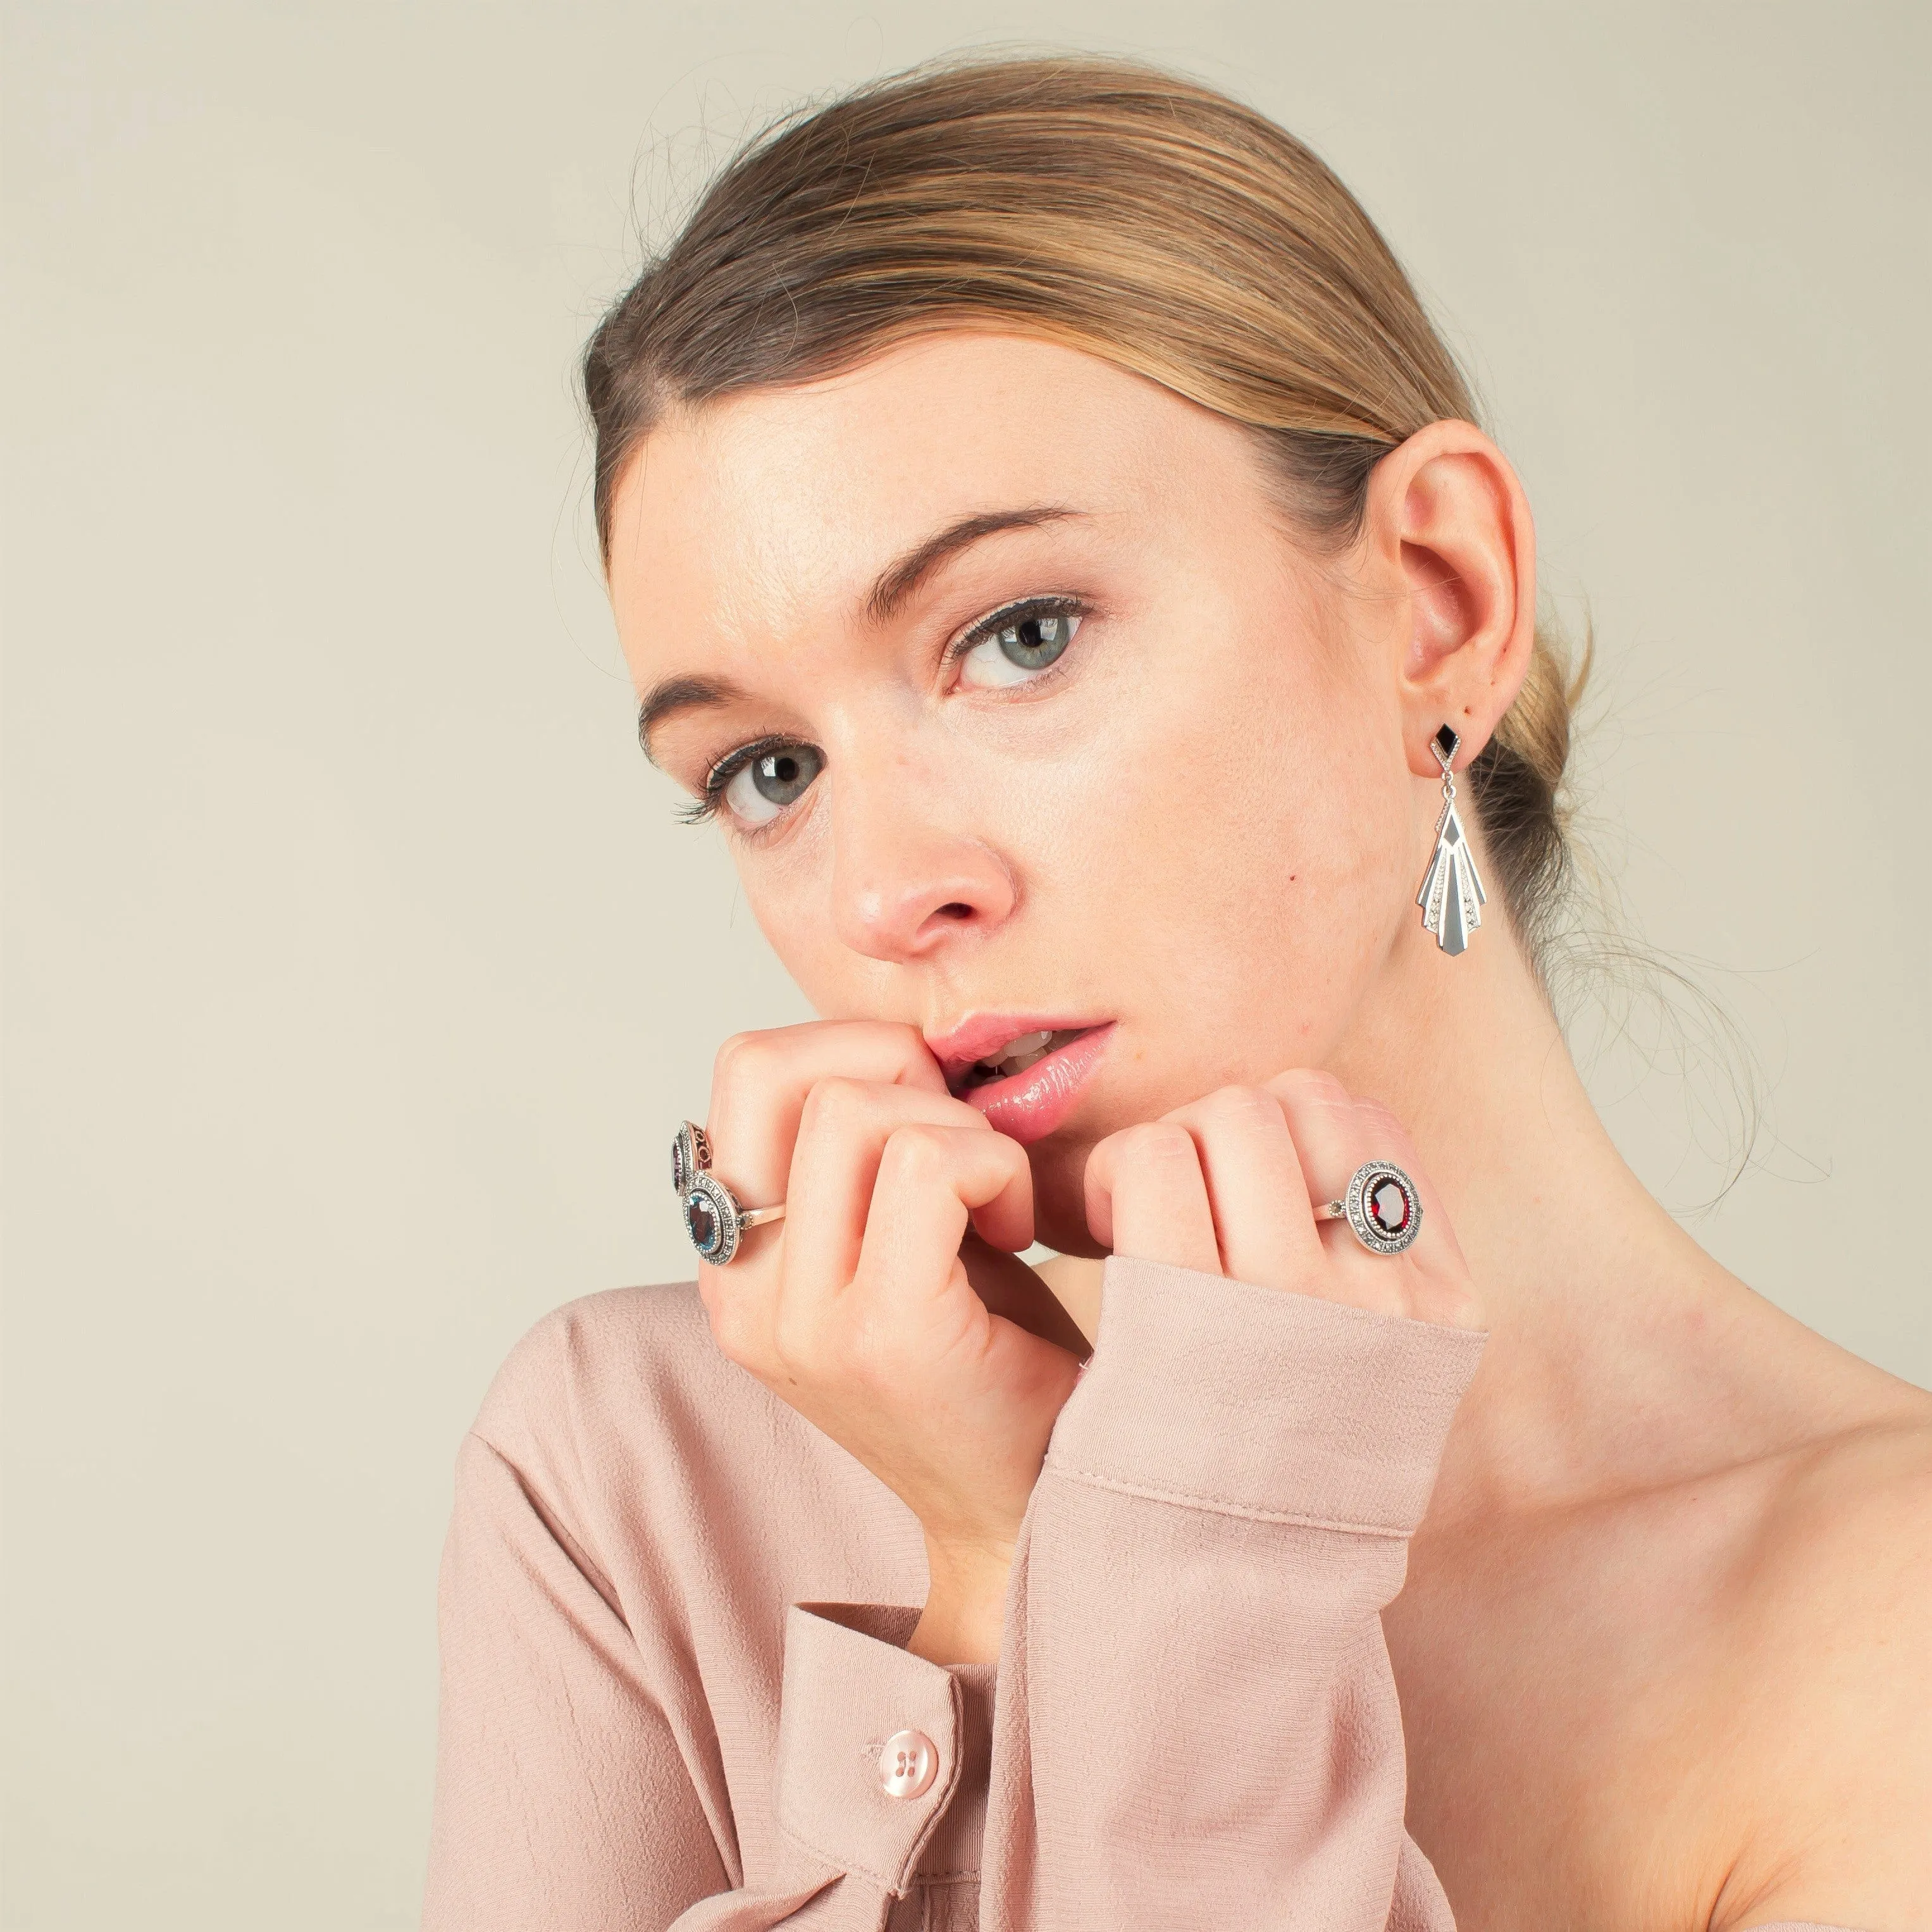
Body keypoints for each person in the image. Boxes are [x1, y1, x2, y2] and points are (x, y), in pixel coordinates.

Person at [421, 56, 1930, 1932]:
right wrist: (989, 1573)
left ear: (1438, 604)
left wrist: (1198, 1551)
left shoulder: (1889, 1618)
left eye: (1016, 636)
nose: (892, 890)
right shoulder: (632, 1472)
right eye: (767, 770)